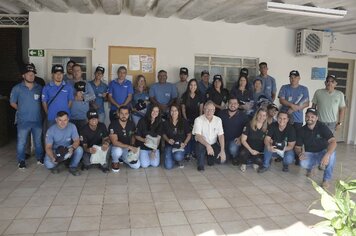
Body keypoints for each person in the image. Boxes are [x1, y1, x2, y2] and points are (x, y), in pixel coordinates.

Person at [10, 63, 44, 168]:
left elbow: (44, 102)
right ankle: (21, 161)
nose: (31, 76)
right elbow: (12, 102)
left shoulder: (39, 88)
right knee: (22, 142)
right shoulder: (17, 88)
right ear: (23, 75)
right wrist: (21, 109)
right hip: (23, 121)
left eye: (33, 74)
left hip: (37, 120)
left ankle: (39, 158)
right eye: (28, 74)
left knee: (38, 142)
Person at [295, 108, 337, 189]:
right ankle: (312, 168)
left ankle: (326, 180)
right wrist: (299, 153)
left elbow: (333, 142)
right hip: (310, 153)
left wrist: (327, 155)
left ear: (317, 118)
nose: (309, 118)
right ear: (305, 116)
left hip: (323, 152)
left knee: (332, 156)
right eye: (307, 116)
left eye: (312, 116)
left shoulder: (322, 127)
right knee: (303, 162)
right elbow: (297, 147)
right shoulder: (301, 130)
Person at [44, 111, 83, 176]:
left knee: (79, 150)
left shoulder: (72, 126)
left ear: (68, 119)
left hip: (68, 149)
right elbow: (48, 147)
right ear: (56, 120)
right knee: (49, 164)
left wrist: (72, 148)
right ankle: (59, 162)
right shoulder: (50, 130)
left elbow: (77, 140)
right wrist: (52, 157)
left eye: (65, 120)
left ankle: (72, 167)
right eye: (60, 120)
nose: (63, 122)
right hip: (55, 150)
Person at [192, 101, 226, 171]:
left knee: (221, 160)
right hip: (201, 143)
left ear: (214, 111)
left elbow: (221, 136)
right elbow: (198, 136)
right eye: (207, 109)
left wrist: (222, 150)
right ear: (204, 109)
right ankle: (200, 162)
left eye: (211, 110)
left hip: (213, 143)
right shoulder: (198, 120)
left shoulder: (218, 120)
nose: (209, 112)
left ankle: (209, 156)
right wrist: (207, 146)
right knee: (200, 151)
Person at [218, 96, 248, 165]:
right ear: (228, 104)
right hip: (223, 140)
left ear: (238, 105)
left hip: (235, 140)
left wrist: (240, 138)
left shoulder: (243, 115)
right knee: (222, 161)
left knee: (233, 149)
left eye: (235, 103)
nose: (232, 105)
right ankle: (228, 155)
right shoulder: (221, 113)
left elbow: (247, 129)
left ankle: (235, 157)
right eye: (230, 103)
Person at [109, 106, 141, 172]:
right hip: (116, 147)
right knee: (118, 151)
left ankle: (122, 158)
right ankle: (115, 161)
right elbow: (115, 142)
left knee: (136, 166)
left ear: (129, 114)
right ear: (118, 114)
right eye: (122, 113)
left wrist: (132, 146)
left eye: (126, 113)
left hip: (127, 149)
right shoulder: (113, 124)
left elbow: (133, 136)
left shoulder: (131, 124)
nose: (124, 115)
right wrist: (129, 146)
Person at [162, 104, 192, 169]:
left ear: (179, 111)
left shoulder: (184, 121)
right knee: (168, 166)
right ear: (169, 112)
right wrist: (168, 140)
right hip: (169, 145)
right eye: (172, 110)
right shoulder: (166, 122)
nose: (174, 112)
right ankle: (171, 158)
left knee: (178, 157)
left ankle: (176, 159)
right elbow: (163, 134)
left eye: (176, 110)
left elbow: (189, 134)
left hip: (180, 145)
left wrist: (185, 143)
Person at [238, 108, 268, 172]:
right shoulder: (249, 124)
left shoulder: (267, 127)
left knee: (259, 161)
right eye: (260, 115)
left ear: (266, 117)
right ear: (256, 115)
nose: (261, 117)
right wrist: (251, 150)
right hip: (248, 148)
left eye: (264, 115)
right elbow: (243, 140)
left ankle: (254, 161)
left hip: (258, 150)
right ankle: (244, 163)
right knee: (242, 154)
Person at [181, 79, 204, 159]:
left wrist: (199, 121)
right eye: (191, 85)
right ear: (188, 86)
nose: (193, 87)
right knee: (188, 136)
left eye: (194, 85)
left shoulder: (200, 95)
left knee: (195, 137)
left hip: (197, 120)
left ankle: (194, 152)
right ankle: (187, 153)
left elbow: (201, 109)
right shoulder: (184, 95)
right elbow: (183, 109)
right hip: (187, 120)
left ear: (197, 86)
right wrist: (185, 120)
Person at [70, 64, 96, 129]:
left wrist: (83, 97)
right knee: (71, 138)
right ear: (72, 72)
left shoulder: (87, 84)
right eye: (74, 71)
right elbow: (63, 96)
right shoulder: (67, 83)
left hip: (84, 116)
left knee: (83, 137)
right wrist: (74, 97)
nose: (76, 72)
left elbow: (93, 96)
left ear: (81, 72)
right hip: (70, 116)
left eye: (78, 70)